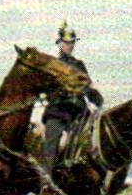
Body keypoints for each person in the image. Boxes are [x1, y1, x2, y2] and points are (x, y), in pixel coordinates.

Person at [40, 21, 103, 166]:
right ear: (59, 43)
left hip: (80, 113)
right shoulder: (52, 66)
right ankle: (47, 182)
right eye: (67, 42)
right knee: (51, 142)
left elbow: (87, 87)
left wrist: (96, 98)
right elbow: (46, 89)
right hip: (58, 112)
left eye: (72, 43)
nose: (70, 46)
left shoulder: (79, 65)